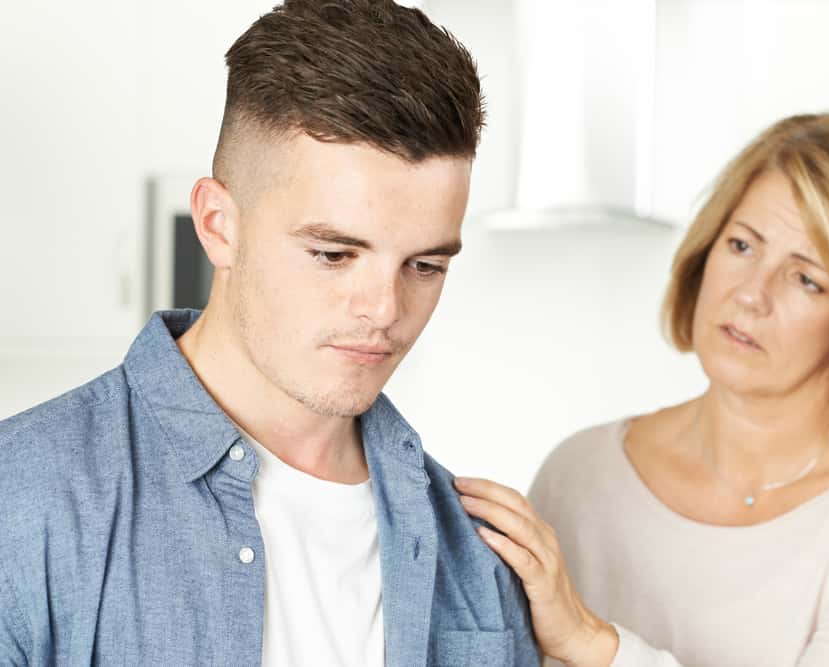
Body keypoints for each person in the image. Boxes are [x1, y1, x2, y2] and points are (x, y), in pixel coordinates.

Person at [0, 1, 539, 665]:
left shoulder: (481, 554)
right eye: (334, 254)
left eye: (424, 265)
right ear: (218, 225)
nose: (383, 309)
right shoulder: (21, 500)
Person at [456, 111, 829, 666]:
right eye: (742, 246)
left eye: (806, 279)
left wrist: (593, 643)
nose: (751, 294)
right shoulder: (580, 474)